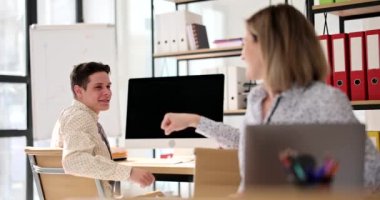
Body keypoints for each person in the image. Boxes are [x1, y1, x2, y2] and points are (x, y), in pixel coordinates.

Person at [161, 4, 380, 193]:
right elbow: (247, 143)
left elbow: (372, 174)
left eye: (246, 43)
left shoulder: (324, 100)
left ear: (269, 46)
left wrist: (304, 180)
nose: (242, 54)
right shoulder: (258, 98)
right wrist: (194, 121)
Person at [51, 62, 155, 198]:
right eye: (98, 87)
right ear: (78, 91)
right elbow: (74, 161)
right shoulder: (79, 117)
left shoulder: (71, 114)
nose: (107, 92)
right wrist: (129, 173)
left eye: (108, 86)